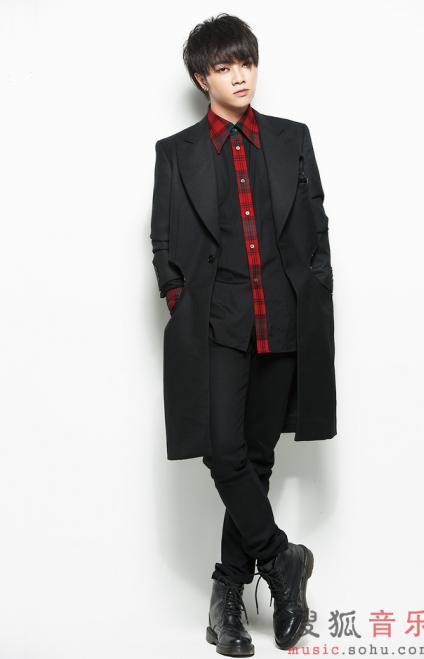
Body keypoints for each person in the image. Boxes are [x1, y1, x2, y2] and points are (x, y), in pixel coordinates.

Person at [149, 12, 336, 656]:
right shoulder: (176, 152)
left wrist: (315, 287)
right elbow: (164, 241)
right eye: (224, 66)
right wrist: (179, 300)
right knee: (222, 450)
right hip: (216, 323)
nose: (240, 76)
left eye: (246, 62)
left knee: (256, 458)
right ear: (202, 78)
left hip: (283, 316)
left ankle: (225, 597)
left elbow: (317, 223)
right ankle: (283, 561)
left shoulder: (291, 138)